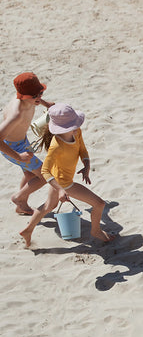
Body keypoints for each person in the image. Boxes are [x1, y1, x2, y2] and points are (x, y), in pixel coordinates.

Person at [19, 104, 114, 247]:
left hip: (58, 180)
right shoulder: (56, 146)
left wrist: (86, 165)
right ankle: (96, 231)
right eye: (73, 124)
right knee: (99, 204)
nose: (77, 126)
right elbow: (45, 170)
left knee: (49, 206)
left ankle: (28, 230)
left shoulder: (77, 132)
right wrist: (61, 189)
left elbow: (82, 149)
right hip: (63, 183)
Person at [0, 72, 54, 215]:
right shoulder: (16, 114)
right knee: (44, 175)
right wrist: (18, 156)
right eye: (35, 96)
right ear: (22, 96)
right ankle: (18, 198)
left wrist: (45, 103)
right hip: (13, 148)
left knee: (30, 175)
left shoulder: (30, 98)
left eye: (41, 93)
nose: (38, 98)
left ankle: (21, 205)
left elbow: (36, 97)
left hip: (23, 141)